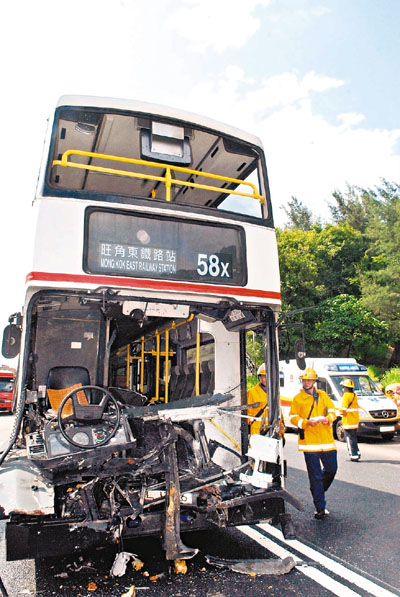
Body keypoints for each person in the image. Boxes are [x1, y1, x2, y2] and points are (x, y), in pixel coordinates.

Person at [289, 368, 337, 520]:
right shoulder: (298, 398)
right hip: (309, 443)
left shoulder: (323, 395)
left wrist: (328, 418)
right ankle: (320, 507)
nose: (306, 382)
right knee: (315, 476)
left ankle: (318, 492)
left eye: (309, 380)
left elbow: (334, 411)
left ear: (314, 381)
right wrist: (305, 422)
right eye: (304, 380)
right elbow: (292, 417)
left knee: (331, 469)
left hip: (327, 441)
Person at [247, 364, 285, 437]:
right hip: (257, 432)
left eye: (269, 377)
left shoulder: (275, 393)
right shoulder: (252, 392)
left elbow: (279, 412)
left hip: (272, 431)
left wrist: (281, 432)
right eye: (264, 376)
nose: (267, 379)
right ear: (260, 377)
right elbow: (247, 414)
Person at [339, 379, 360, 461]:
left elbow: (343, 409)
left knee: (349, 439)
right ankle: (357, 452)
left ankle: (353, 455)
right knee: (354, 438)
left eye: (343, 387)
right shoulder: (355, 395)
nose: (343, 389)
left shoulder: (346, 396)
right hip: (355, 421)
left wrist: (339, 411)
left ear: (346, 388)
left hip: (348, 421)